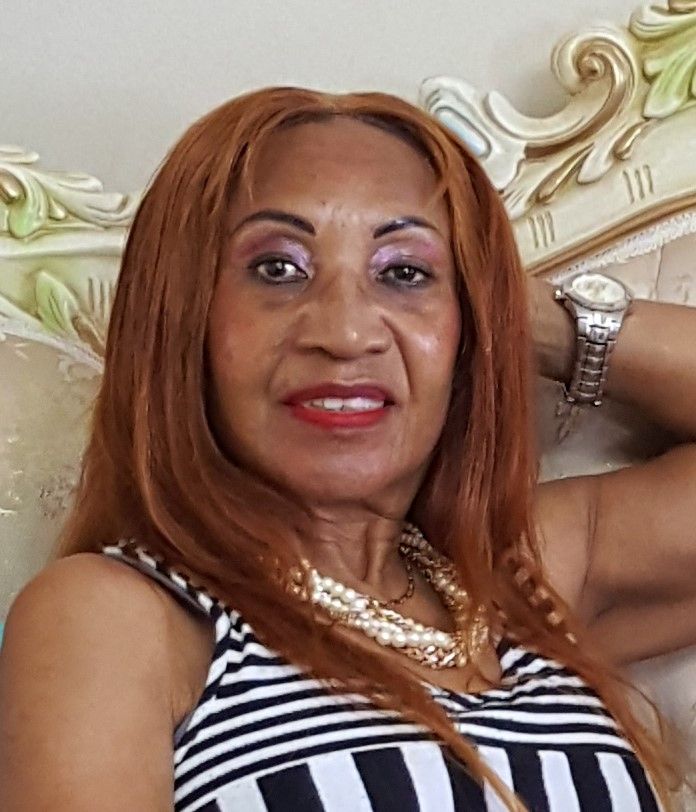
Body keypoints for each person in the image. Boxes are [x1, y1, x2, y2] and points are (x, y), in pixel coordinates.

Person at [0, 87, 694, 812]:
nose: (346, 332)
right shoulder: (122, 618)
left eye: (404, 273)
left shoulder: (523, 578)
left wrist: (520, 316)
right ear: (182, 318)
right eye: (277, 269)